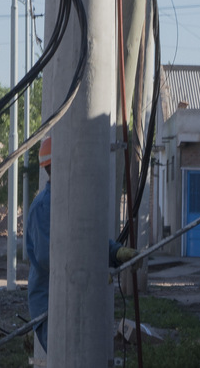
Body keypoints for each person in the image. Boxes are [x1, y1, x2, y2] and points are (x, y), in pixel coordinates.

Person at [24, 138, 135, 353]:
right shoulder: (44, 207)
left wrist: (115, 252)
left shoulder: (71, 199)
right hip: (50, 304)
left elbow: (86, 241)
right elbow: (51, 258)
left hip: (72, 297)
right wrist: (91, 271)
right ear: (55, 166)